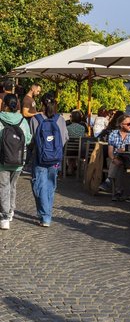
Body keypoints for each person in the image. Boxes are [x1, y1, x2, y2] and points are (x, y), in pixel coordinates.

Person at [29, 94, 68, 227]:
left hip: (39, 157)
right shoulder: (60, 119)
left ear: (41, 104)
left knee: (39, 185)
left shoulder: (35, 119)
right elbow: (64, 138)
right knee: (51, 185)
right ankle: (47, 214)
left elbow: (31, 139)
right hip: (55, 158)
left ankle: (45, 216)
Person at [0, 94, 32, 230]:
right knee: (12, 186)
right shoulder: (22, 121)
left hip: (2, 160)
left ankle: (4, 216)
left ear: (5, 105)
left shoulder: (0, 120)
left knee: (3, 187)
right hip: (19, 160)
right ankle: (11, 211)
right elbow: (29, 139)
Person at [99, 113, 130, 200]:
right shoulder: (114, 134)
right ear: (121, 125)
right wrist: (114, 158)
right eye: (128, 124)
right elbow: (110, 152)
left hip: (129, 159)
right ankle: (119, 192)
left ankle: (109, 181)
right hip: (115, 158)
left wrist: (127, 150)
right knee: (118, 163)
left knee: (118, 163)